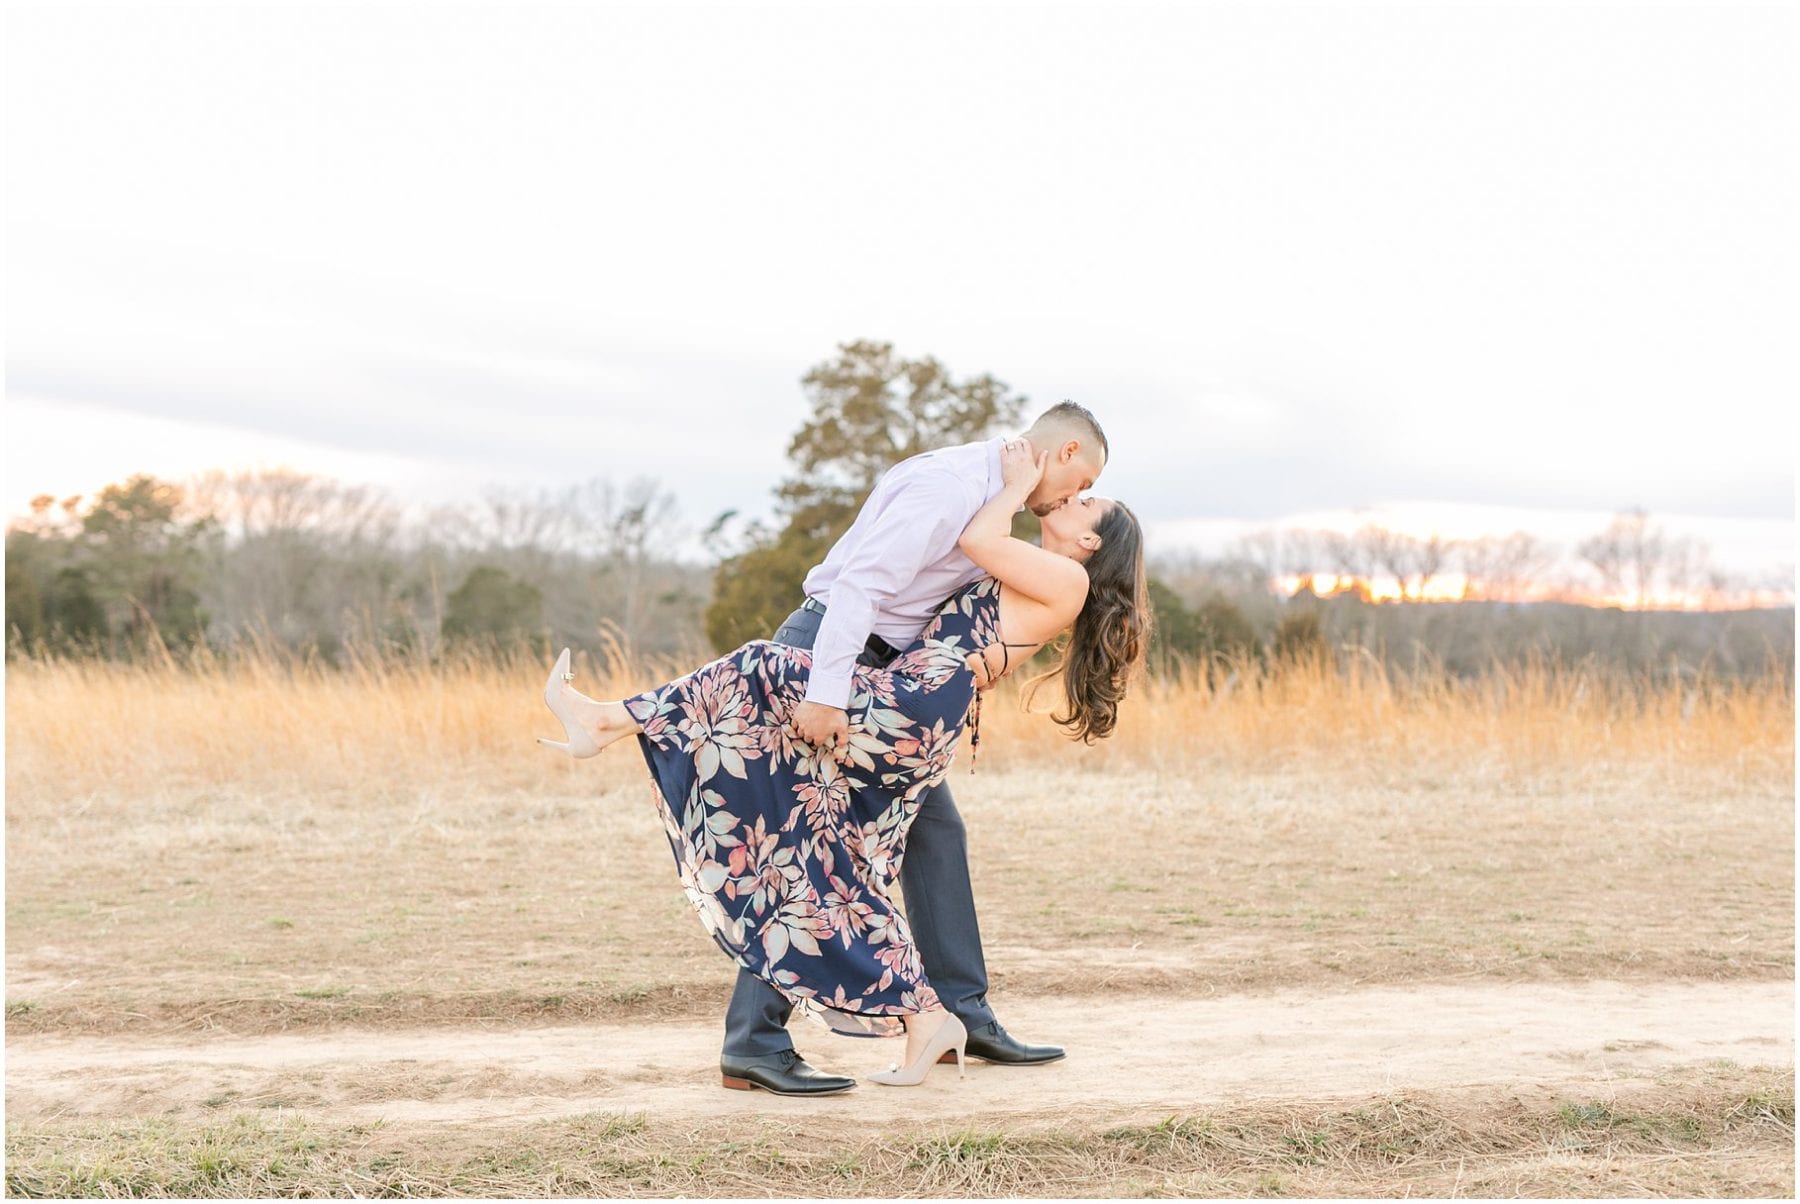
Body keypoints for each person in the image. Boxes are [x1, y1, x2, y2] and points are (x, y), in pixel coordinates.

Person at [539, 407, 1147, 1088]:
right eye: (1082, 483)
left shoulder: (1019, 534)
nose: (1071, 498)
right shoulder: (954, 489)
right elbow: (865, 586)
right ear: (1064, 451)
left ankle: (942, 1012)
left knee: (883, 841)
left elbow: (974, 610)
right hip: (839, 658)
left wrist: (969, 663)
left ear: (1092, 542)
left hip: (886, 690)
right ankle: (795, 1036)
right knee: (811, 837)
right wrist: (830, 691)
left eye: (1085, 500)